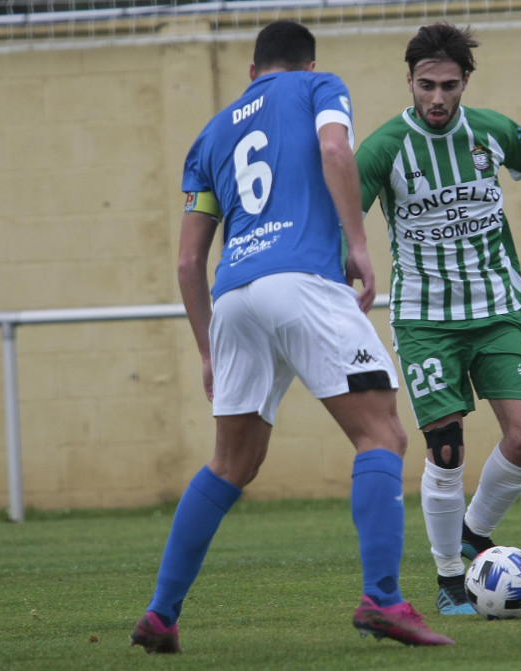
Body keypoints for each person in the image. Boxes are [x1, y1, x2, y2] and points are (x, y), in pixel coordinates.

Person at [129, 20, 453, 652]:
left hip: (234, 298)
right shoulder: (318, 88)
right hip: (303, 279)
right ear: (307, 66)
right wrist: (358, 246)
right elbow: (336, 152)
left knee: (233, 462)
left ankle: (162, 614)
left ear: (253, 72)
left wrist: (206, 347)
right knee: (381, 433)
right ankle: (383, 600)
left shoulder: (210, 135)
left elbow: (188, 262)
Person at [355, 23, 521, 616]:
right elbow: (345, 221)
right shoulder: (383, 148)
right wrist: (342, 275)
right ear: (409, 82)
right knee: (446, 453)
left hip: (499, 310)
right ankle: (450, 579)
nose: (437, 98)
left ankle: (473, 533)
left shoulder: (493, 132)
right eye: (426, 85)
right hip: (426, 320)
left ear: (466, 83)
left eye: (449, 86)